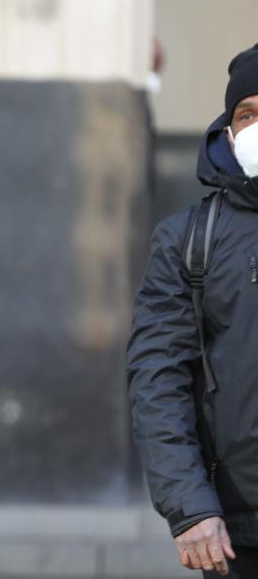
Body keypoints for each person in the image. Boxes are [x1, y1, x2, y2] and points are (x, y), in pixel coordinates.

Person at [127, 43, 258, 578]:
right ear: (228, 129)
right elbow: (157, 377)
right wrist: (190, 507)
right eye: (247, 115)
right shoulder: (188, 239)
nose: (256, 126)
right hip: (236, 529)